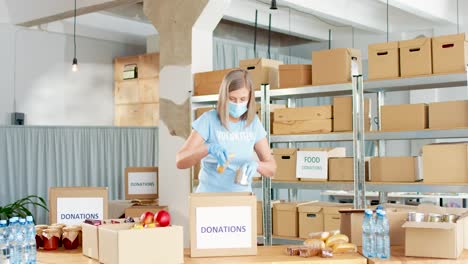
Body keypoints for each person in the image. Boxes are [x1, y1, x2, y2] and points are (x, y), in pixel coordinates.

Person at [176, 69, 276, 192]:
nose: (238, 104)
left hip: (241, 199)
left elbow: (271, 168)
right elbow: (180, 161)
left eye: (243, 99)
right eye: (232, 99)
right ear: (224, 97)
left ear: (250, 98)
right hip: (209, 198)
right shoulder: (209, 120)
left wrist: (257, 165)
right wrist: (208, 148)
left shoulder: (253, 123)